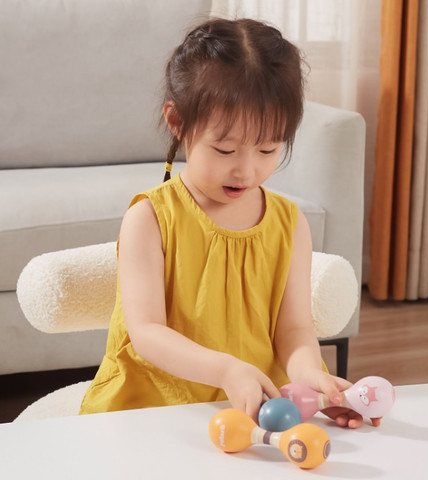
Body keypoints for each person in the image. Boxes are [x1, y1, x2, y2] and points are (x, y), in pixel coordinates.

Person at [80, 18, 380, 429]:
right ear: (177, 121)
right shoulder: (149, 218)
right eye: (225, 150)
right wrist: (226, 370)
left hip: (253, 407)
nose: (246, 170)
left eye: (268, 149)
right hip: (157, 404)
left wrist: (310, 376)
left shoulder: (290, 224)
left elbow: (293, 329)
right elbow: (147, 332)